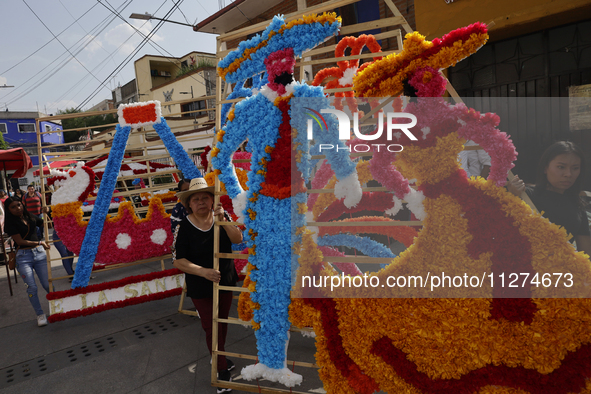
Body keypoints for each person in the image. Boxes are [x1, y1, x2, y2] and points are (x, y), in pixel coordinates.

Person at [172, 178, 242, 391]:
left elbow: (237, 239)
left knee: (221, 322)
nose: (201, 202)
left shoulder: (222, 217)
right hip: (201, 286)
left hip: (226, 279)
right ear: (189, 204)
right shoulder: (183, 227)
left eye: (205, 198)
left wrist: (223, 218)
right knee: (210, 326)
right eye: (196, 199)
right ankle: (221, 372)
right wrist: (203, 272)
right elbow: (178, 260)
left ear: (212, 200)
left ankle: (218, 355)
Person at [508, 141, 590, 255]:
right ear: (545, 168)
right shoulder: (526, 195)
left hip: (561, 270)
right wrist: (512, 198)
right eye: (561, 167)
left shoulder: (578, 207)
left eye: (575, 168)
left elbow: (586, 256)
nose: (568, 174)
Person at [3, 196, 51, 326]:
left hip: (39, 255)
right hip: (23, 257)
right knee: (32, 287)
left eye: (19, 205)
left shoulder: (29, 216)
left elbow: (46, 224)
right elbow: (20, 241)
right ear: (8, 210)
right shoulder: (10, 223)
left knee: (48, 285)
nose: (18, 208)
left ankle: (57, 305)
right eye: (13, 207)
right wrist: (40, 242)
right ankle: (40, 315)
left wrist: (47, 212)